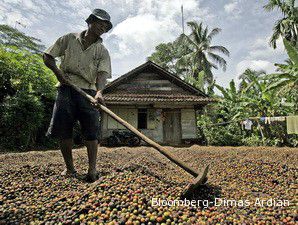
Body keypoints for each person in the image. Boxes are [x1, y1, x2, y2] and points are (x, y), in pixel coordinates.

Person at [43, 9, 112, 182]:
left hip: (88, 90)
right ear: (90, 22)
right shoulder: (68, 39)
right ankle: (70, 169)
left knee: (91, 131)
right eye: (100, 23)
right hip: (66, 87)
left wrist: (99, 92)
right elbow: (47, 56)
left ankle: (92, 170)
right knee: (63, 129)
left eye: (105, 26)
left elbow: (102, 74)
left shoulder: (102, 51)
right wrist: (58, 74)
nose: (102, 28)